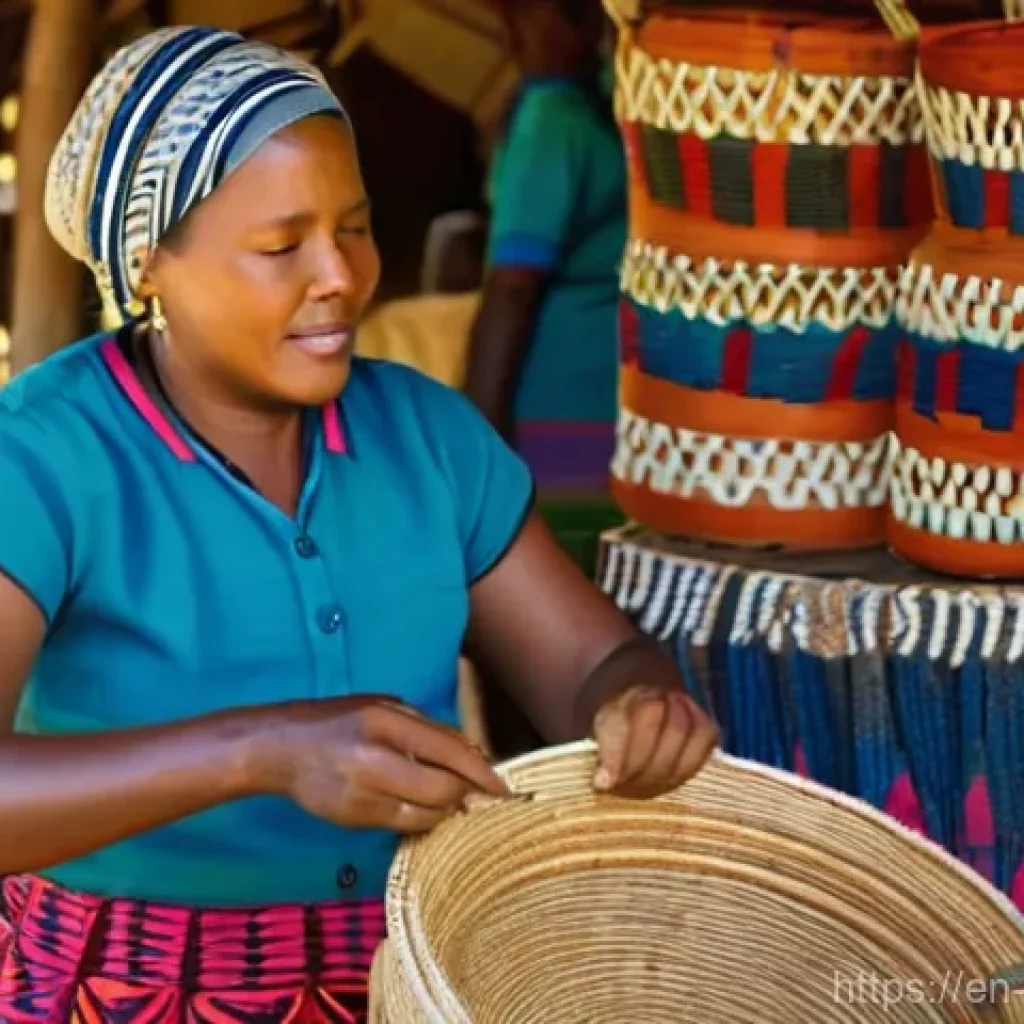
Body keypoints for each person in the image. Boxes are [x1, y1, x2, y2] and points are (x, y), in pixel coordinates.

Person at [0, 27, 718, 1022]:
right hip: (117, 991)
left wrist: (639, 706)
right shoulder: (42, 456)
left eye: (355, 226)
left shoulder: (426, 438)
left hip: (409, 974)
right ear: (148, 265)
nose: (339, 274)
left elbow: (592, 666)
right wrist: (263, 750)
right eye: (281, 244)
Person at [464, 0, 626, 558]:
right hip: (606, 424)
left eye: (529, 13)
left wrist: (477, 444)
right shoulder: (599, 113)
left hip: (553, 432)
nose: (513, 32)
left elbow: (512, 289)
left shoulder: (552, 119)